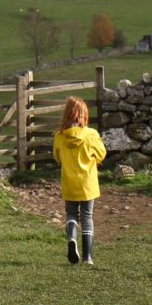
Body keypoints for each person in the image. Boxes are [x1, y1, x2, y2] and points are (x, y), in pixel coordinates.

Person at [52, 96, 106, 265]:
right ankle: (87, 257)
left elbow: (57, 157)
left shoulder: (60, 137)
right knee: (87, 217)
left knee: (71, 214)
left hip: (69, 182)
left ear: (66, 114)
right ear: (84, 115)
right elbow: (101, 153)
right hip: (87, 184)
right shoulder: (91, 135)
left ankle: (71, 239)